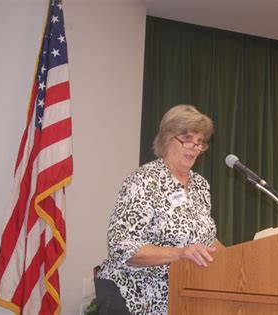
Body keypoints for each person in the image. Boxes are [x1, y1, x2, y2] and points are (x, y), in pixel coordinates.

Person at [95, 104, 222, 314]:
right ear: (166, 139)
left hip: (178, 298)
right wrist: (179, 253)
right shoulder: (144, 180)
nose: (195, 147)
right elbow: (120, 246)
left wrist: (242, 261)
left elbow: (206, 240)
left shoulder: (200, 185)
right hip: (133, 296)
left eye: (200, 142)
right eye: (187, 139)